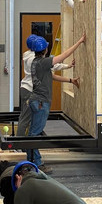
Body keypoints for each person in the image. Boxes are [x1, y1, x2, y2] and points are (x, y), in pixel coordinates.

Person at [27, 33, 86, 170]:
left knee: (34, 133)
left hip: (37, 101)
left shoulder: (36, 63)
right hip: (41, 102)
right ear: (45, 50)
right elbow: (64, 55)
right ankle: (36, 163)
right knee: (35, 134)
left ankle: (31, 161)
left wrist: (71, 80)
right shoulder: (44, 62)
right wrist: (79, 41)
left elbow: (51, 76)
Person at [19, 35, 72, 139]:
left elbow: (50, 65)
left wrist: (67, 66)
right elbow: (51, 64)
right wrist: (66, 66)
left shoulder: (29, 55)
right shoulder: (32, 59)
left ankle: (25, 144)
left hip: (27, 89)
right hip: (30, 90)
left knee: (29, 120)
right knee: (25, 119)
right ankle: (19, 145)